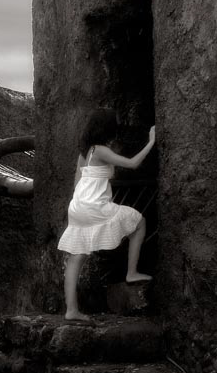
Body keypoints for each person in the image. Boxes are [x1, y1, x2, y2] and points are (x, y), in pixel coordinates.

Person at [58, 108, 156, 321]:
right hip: (94, 207)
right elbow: (133, 164)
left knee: (76, 258)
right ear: (107, 128)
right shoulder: (101, 150)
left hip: (78, 206)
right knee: (139, 222)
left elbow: (77, 183)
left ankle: (71, 310)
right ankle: (131, 272)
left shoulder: (84, 153)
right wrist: (151, 141)